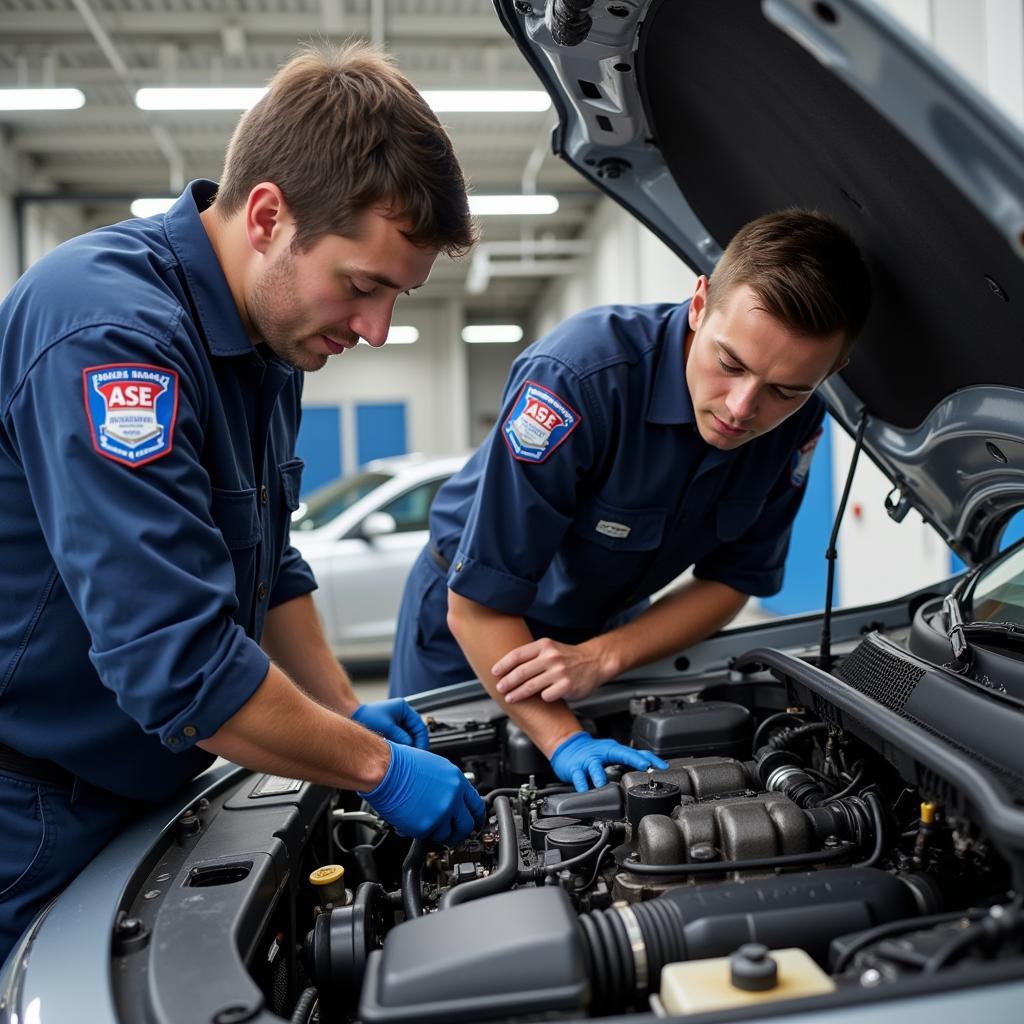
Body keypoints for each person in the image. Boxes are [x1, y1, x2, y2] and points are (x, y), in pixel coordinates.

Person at [0, 43, 486, 966]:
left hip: (139, 787)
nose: (377, 330)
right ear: (268, 214)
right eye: (364, 285)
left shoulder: (267, 342)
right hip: (27, 814)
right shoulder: (110, 338)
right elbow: (179, 668)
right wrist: (374, 770)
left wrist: (342, 712)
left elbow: (269, 564)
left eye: (398, 297)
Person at [389, 210, 871, 792]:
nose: (743, 408)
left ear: (832, 371)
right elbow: (476, 607)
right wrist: (565, 740)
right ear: (699, 303)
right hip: (468, 630)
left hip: (600, 633)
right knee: (449, 803)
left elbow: (732, 582)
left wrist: (604, 656)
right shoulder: (579, 378)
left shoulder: (802, 425)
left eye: (785, 390)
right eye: (730, 364)